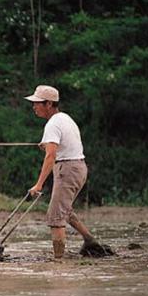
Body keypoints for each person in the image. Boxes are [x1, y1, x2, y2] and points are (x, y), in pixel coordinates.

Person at [25, 85, 113, 260]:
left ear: (49, 104)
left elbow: (50, 156)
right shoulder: (64, 118)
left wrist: (39, 184)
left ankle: (59, 261)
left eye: (37, 103)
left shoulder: (52, 124)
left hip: (68, 170)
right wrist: (47, 145)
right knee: (64, 210)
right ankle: (90, 241)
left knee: (55, 216)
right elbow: (60, 147)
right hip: (77, 168)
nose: (34, 106)